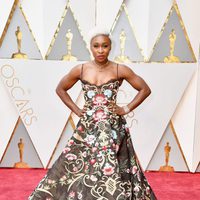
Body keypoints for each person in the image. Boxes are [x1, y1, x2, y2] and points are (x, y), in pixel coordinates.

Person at [28, 27, 157, 200]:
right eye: (96, 46)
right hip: (88, 128)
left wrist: (125, 109)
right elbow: (60, 89)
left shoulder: (120, 70)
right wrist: (77, 110)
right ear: (91, 47)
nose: (101, 50)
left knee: (110, 164)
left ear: (110, 47)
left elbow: (144, 89)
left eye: (105, 46)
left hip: (112, 127)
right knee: (80, 165)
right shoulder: (81, 70)